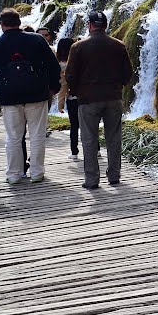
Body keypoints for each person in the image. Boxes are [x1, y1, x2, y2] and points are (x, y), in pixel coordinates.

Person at [0, 8, 61, 185]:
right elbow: (53, 65)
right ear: (19, 22)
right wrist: (54, 87)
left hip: (10, 95)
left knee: (13, 137)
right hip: (37, 93)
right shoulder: (37, 39)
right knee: (37, 135)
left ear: (1, 24)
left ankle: (13, 175)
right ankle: (36, 173)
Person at [65, 10, 132, 190]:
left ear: (90, 25)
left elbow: (70, 75)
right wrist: (119, 86)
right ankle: (114, 176)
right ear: (106, 26)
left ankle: (92, 180)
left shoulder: (78, 47)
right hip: (113, 97)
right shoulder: (119, 45)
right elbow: (128, 73)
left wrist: (76, 91)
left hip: (88, 99)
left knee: (89, 139)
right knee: (114, 138)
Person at [55, 37, 81, 160]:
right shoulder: (80, 60)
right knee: (90, 126)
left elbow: (63, 86)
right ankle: (95, 149)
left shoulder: (60, 65)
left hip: (72, 98)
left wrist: (60, 105)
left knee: (74, 126)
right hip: (86, 97)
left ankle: (74, 152)